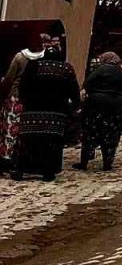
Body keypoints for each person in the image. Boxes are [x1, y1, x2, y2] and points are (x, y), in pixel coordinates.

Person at [11, 38, 80, 181]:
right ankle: (48, 172)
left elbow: (23, 86)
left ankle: (20, 170)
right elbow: (74, 91)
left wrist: (24, 101)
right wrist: (73, 107)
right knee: (51, 143)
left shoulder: (33, 65)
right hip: (56, 113)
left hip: (32, 112)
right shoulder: (66, 68)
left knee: (27, 142)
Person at [72, 52, 122, 172]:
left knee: (90, 132)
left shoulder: (99, 70)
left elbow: (87, 84)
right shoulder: (121, 72)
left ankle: (84, 161)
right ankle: (107, 162)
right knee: (111, 133)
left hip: (96, 104)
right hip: (115, 104)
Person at [0, 40, 44, 171]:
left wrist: (3, 90)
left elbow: (9, 78)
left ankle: (7, 158)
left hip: (16, 96)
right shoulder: (45, 57)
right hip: (34, 98)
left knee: (10, 129)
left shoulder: (20, 57)